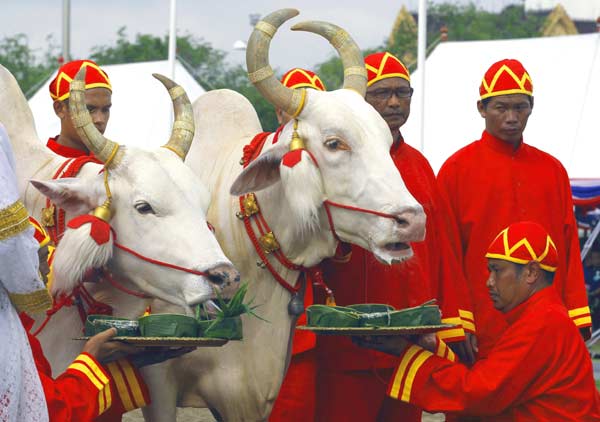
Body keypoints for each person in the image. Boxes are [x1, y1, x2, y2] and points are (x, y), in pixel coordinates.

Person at [313, 51, 475, 422]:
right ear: (360, 101)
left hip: (409, 343)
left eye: (403, 93)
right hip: (347, 343)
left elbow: (442, 252)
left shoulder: (420, 165)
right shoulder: (333, 160)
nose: (393, 102)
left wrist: (454, 322)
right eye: (381, 93)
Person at [0, 124, 189, 421]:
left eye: (105, 108)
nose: (98, 119)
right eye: (37, 258)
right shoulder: (9, 340)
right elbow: (51, 410)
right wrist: (92, 357)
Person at [356, 221, 600, 421]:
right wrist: (431, 349)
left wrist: (403, 351)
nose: (489, 282)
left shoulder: (542, 322)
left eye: (497, 270)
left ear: (532, 273)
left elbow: (479, 392)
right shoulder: (545, 315)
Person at [437, 58, 592, 359]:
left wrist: (575, 315)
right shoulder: (455, 170)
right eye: (501, 107)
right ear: (481, 109)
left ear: (531, 107)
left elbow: (569, 246)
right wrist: (459, 320)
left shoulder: (552, 170)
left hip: (547, 320)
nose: (512, 117)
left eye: (520, 107)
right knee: (481, 401)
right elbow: (448, 253)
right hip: (484, 320)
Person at [268, 68, 326, 422]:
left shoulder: (329, 161)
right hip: (260, 306)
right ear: (279, 112)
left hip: (309, 308)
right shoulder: (253, 153)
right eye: (294, 107)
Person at [47, 59, 112, 158]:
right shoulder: (38, 165)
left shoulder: (112, 164)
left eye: (105, 110)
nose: (100, 119)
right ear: (59, 109)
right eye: (89, 110)